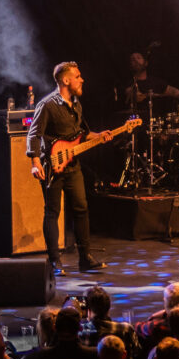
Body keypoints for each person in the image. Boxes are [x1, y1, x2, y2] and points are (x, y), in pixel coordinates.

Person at [27, 61, 111, 274]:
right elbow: (33, 135)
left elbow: (81, 134)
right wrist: (35, 163)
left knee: (81, 209)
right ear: (66, 80)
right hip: (52, 166)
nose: (82, 79)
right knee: (52, 212)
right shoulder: (47, 105)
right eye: (78, 76)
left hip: (73, 166)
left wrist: (100, 136)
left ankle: (85, 258)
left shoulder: (77, 105)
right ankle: (55, 261)